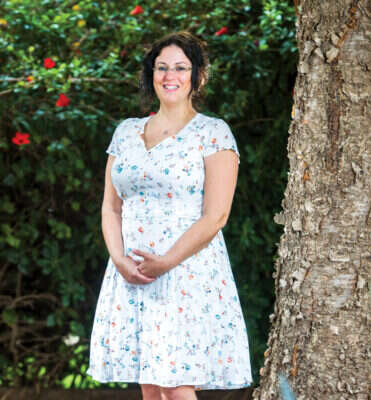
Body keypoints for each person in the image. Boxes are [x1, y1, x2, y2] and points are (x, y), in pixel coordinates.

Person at [87, 31, 252, 400]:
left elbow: (217, 215)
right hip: (133, 273)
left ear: (198, 76)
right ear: (151, 74)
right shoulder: (126, 132)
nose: (169, 76)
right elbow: (110, 207)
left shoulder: (213, 133)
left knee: (177, 387)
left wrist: (166, 262)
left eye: (180, 67)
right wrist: (119, 260)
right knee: (150, 386)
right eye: (162, 67)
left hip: (186, 272)